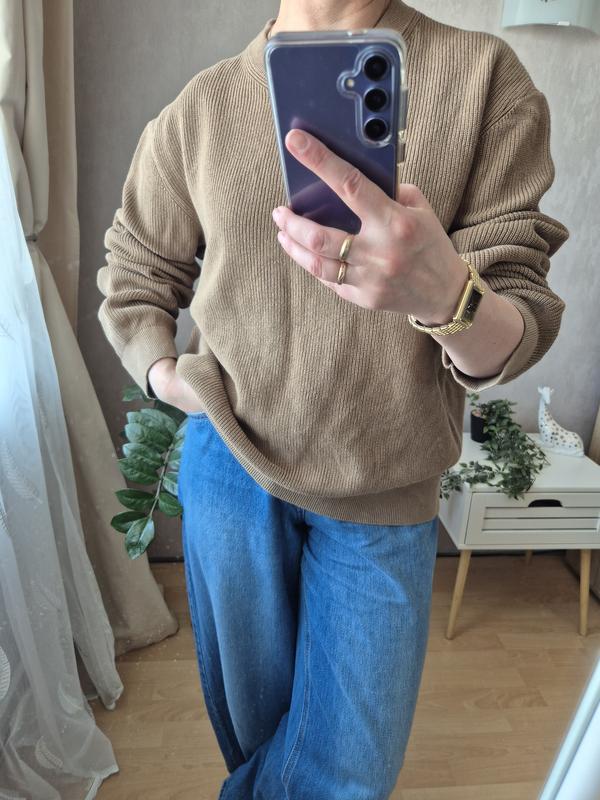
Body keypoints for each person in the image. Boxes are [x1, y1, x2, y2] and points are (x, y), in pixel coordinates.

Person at [96, 0, 569, 797]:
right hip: (232, 469)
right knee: (255, 742)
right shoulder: (203, 107)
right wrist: (165, 377)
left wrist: (447, 296)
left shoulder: (483, 81)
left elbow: (518, 315)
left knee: (348, 775)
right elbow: (135, 269)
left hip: (386, 485)